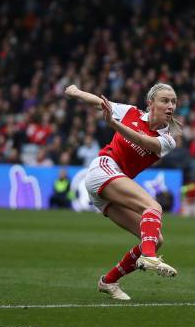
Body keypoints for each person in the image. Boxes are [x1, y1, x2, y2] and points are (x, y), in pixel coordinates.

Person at [64, 83, 181, 300]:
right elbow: (101, 103)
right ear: (150, 104)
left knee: (155, 239)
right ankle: (149, 257)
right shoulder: (131, 112)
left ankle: (108, 281)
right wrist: (76, 92)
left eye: (173, 101)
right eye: (165, 100)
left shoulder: (168, 140)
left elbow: (142, 140)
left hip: (108, 187)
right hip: (103, 168)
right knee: (153, 206)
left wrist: (114, 124)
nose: (170, 106)